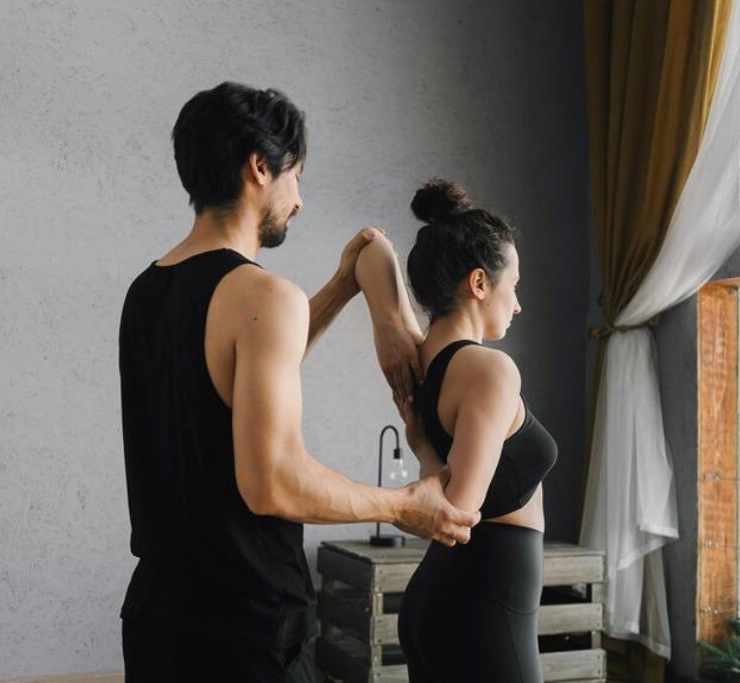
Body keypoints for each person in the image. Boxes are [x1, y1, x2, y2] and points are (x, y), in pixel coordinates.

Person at [117, 83, 479, 682]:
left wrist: (341, 285)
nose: (300, 201)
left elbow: (231, 376)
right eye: (296, 177)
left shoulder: (147, 289)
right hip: (246, 629)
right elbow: (274, 483)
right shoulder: (263, 295)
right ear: (260, 167)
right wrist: (403, 506)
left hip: (157, 618)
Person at [390, 179, 560, 683]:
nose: (518, 304)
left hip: (446, 602)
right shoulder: (490, 369)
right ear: (480, 283)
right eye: (514, 285)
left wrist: (422, 447)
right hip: (484, 613)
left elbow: (371, 251)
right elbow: (458, 511)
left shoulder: (423, 360)